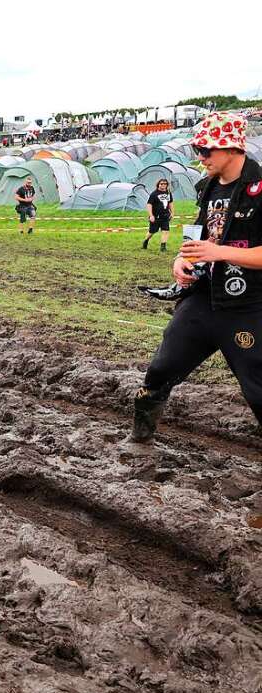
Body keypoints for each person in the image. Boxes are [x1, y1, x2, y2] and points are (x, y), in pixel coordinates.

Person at [132, 112, 262, 447]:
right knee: (159, 371)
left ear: (232, 147)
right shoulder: (206, 187)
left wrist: (220, 253)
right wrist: (181, 260)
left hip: (248, 307)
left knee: (258, 390)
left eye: (206, 150)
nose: (200, 157)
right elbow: (199, 236)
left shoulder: (259, 189)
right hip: (202, 301)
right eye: (197, 149)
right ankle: (139, 437)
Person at [143, 179, 173, 252]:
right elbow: (149, 204)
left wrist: (172, 212)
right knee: (152, 232)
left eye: (165, 184)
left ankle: (163, 247)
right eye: (161, 184)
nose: (163, 185)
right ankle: (146, 241)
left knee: (165, 231)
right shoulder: (154, 194)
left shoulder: (168, 193)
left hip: (165, 216)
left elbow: (171, 203)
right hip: (156, 216)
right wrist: (151, 215)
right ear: (158, 184)